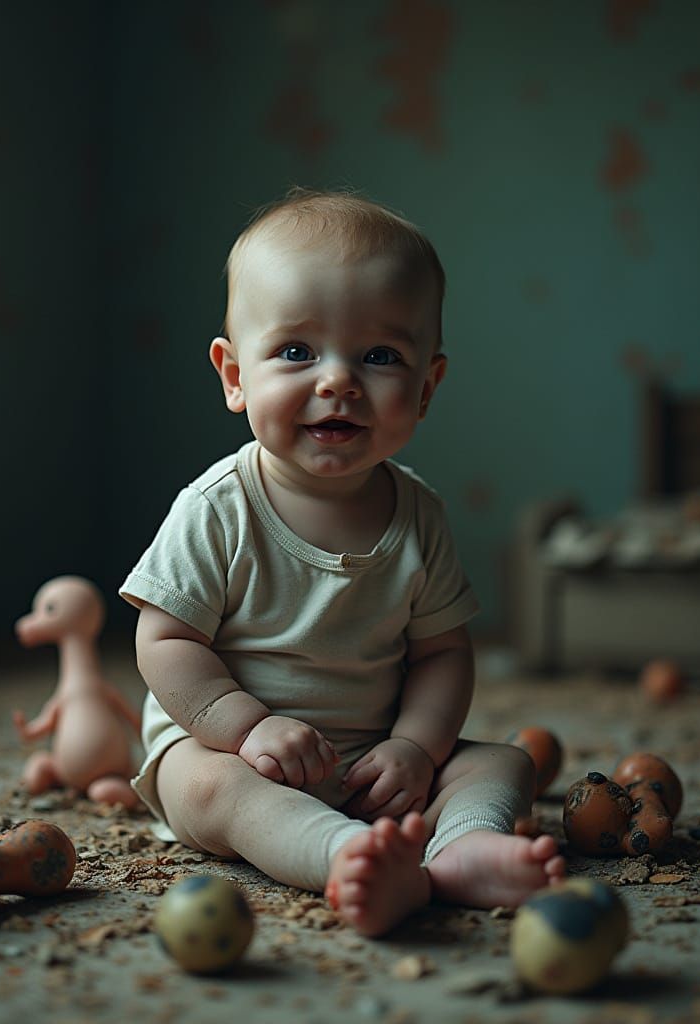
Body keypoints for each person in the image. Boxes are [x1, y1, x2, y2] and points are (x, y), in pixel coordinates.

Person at [121, 187, 565, 936]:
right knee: (216, 793)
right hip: (229, 744)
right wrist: (246, 726)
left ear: (424, 388)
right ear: (235, 376)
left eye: (380, 356)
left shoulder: (420, 516)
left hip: (373, 761)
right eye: (297, 351)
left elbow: (442, 655)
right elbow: (164, 642)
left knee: (503, 763)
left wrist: (416, 750)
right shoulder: (218, 508)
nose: (337, 380)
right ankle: (348, 855)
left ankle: (464, 846)